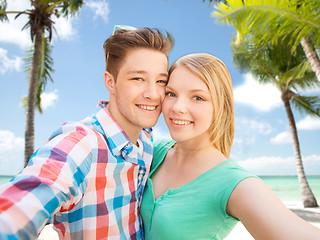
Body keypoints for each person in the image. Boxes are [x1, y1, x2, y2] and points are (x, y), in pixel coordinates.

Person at [0, 26, 173, 239]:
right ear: (110, 82)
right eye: (137, 79)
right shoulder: (82, 144)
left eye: (161, 81)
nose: (153, 94)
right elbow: (18, 207)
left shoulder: (146, 141)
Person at [140, 53, 320, 239]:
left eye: (198, 98)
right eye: (171, 93)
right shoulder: (153, 150)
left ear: (222, 107)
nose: (177, 107)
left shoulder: (234, 184)